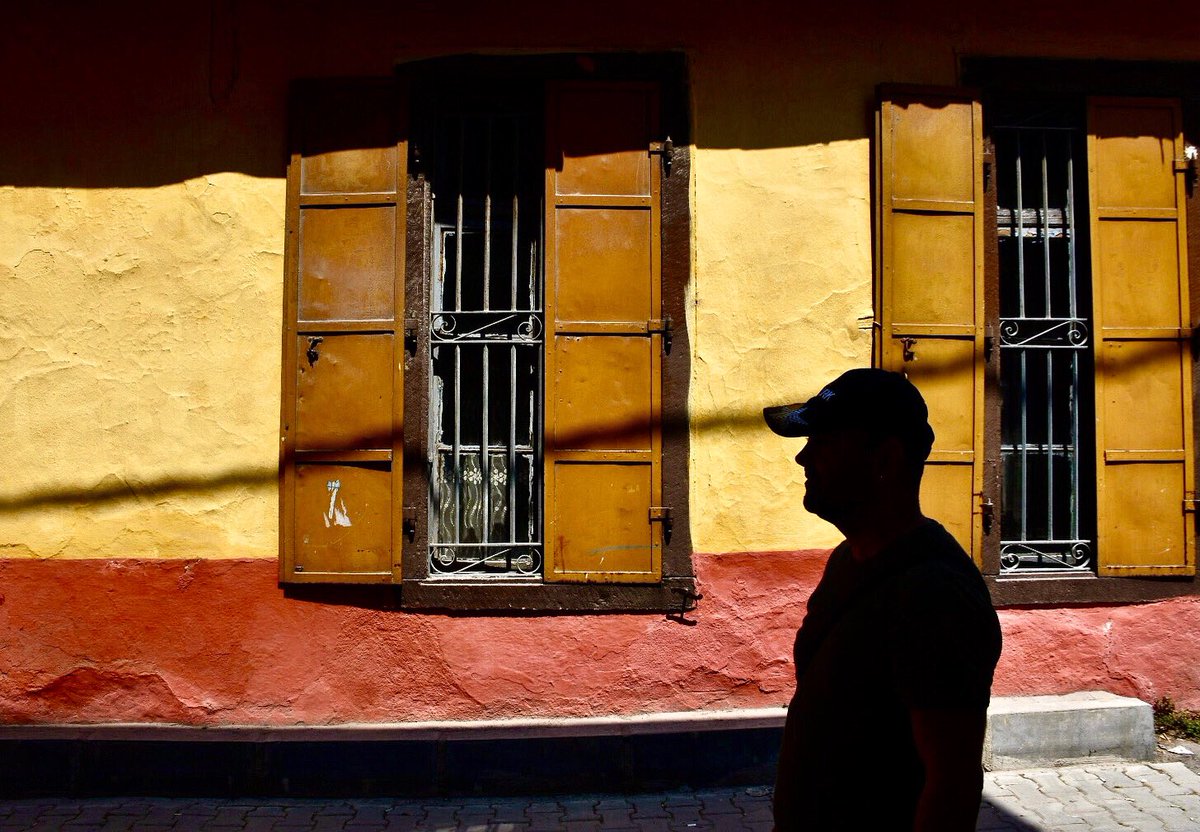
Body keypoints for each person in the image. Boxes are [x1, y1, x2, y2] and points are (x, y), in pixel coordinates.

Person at [763, 368, 1002, 832]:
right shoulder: (847, 562)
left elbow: (951, 783)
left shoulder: (932, 593)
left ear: (885, 459)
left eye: (824, 442)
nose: (802, 456)